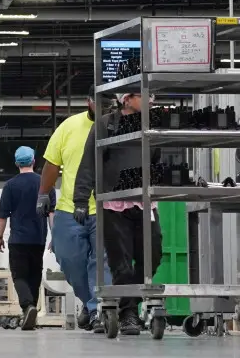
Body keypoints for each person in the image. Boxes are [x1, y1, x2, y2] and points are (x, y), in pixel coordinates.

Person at [73, 92, 163, 336]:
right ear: (127, 99)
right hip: (114, 203)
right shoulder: (105, 124)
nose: (151, 100)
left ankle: (130, 304)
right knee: (121, 262)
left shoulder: (150, 124)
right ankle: (128, 313)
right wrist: (80, 199)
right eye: (145, 95)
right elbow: (90, 162)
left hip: (145, 203)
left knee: (152, 254)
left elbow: (156, 159)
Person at [38, 99, 99, 330]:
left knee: (101, 263)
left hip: (106, 208)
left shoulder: (118, 126)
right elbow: (52, 163)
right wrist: (43, 194)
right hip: (70, 208)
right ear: (89, 101)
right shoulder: (69, 126)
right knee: (68, 260)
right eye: (97, 100)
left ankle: (97, 309)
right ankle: (90, 301)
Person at [0, 146, 51, 331]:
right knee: (35, 276)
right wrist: (55, 236)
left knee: (19, 275)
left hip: (18, 239)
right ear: (34, 162)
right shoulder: (45, 183)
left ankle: (27, 307)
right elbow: (52, 213)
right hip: (39, 239)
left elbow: (3, 215)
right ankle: (32, 314)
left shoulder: (10, 185)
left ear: (16, 163)